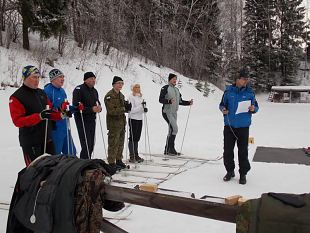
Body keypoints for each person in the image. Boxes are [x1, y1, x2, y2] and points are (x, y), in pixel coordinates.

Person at [9, 65, 63, 166]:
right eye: (34, 77)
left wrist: (62, 114)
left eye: (38, 77)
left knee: (53, 170)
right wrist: (39, 117)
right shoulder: (17, 97)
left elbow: (49, 112)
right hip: (31, 142)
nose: (37, 80)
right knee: (36, 174)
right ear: (25, 78)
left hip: (47, 139)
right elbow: (18, 121)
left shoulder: (41, 93)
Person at [219, 68, 259, 185]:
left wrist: (253, 109)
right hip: (229, 126)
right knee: (227, 151)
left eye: (247, 79)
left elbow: (256, 106)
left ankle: (243, 174)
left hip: (243, 127)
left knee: (243, 151)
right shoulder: (228, 92)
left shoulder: (250, 93)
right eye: (243, 79)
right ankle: (230, 171)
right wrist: (223, 110)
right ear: (237, 79)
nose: (245, 81)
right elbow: (221, 105)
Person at [44, 68, 77, 156]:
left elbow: (65, 108)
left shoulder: (62, 91)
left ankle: (73, 169)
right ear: (53, 79)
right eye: (60, 77)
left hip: (65, 127)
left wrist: (75, 108)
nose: (62, 79)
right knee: (56, 155)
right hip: (55, 128)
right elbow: (47, 110)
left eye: (63, 77)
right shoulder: (48, 91)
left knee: (71, 152)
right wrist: (59, 108)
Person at [159, 73, 193, 155]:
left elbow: (180, 101)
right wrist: (168, 101)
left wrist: (188, 102)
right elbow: (160, 99)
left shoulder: (177, 90)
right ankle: (170, 149)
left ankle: (168, 150)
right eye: (173, 79)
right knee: (174, 129)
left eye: (175, 79)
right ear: (169, 79)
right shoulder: (165, 88)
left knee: (172, 130)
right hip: (167, 112)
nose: (175, 80)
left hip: (174, 113)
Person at [104, 76, 131, 170]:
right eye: (119, 83)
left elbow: (123, 108)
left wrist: (127, 107)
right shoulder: (109, 96)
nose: (120, 85)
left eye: (122, 83)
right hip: (113, 124)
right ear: (114, 84)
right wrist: (124, 109)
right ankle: (111, 163)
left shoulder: (121, 95)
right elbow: (111, 111)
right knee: (113, 144)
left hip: (121, 123)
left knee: (120, 143)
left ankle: (119, 160)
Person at [72, 71, 101, 159]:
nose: (93, 80)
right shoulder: (79, 89)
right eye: (91, 79)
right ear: (86, 80)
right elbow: (76, 107)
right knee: (86, 144)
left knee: (91, 143)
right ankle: (83, 164)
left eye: (94, 79)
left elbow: (97, 103)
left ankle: (87, 162)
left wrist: (99, 108)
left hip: (92, 119)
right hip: (82, 119)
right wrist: (91, 109)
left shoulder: (94, 91)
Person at [127, 84, 147, 163]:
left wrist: (144, 109)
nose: (138, 89)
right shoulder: (131, 97)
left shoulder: (141, 97)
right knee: (132, 136)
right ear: (133, 88)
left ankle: (136, 154)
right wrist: (141, 107)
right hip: (133, 118)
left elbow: (141, 108)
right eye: (136, 87)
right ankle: (132, 155)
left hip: (139, 118)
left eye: (139, 87)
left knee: (137, 137)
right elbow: (131, 110)